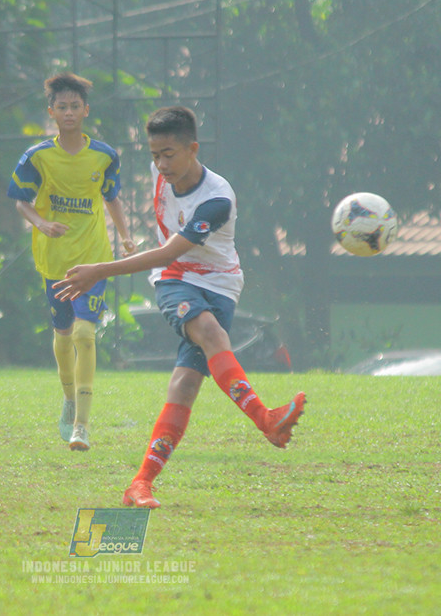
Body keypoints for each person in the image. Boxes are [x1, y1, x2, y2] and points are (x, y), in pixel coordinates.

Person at [54, 106, 306, 508]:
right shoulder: (161, 174)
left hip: (221, 286)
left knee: (185, 385)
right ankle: (266, 419)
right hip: (175, 279)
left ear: (193, 149)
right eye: (154, 155)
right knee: (210, 332)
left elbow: (170, 248)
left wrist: (100, 270)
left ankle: (139, 484)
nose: (160, 164)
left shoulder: (216, 199)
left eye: (168, 154)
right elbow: (168, 260)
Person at [7, 73, 135, 452]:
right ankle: (68, 398)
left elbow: (111, 197)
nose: (68, 112)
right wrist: (42, 223)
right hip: (54, 260)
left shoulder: (105, 156)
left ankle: (82, 424)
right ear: (51, 112)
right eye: (61, 106)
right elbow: (21, 201)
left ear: (86, 110)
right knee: (63, 334)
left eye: (74, 106)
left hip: (94, 258)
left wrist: (125, 235)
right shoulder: (37, 157)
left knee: (84, 334)